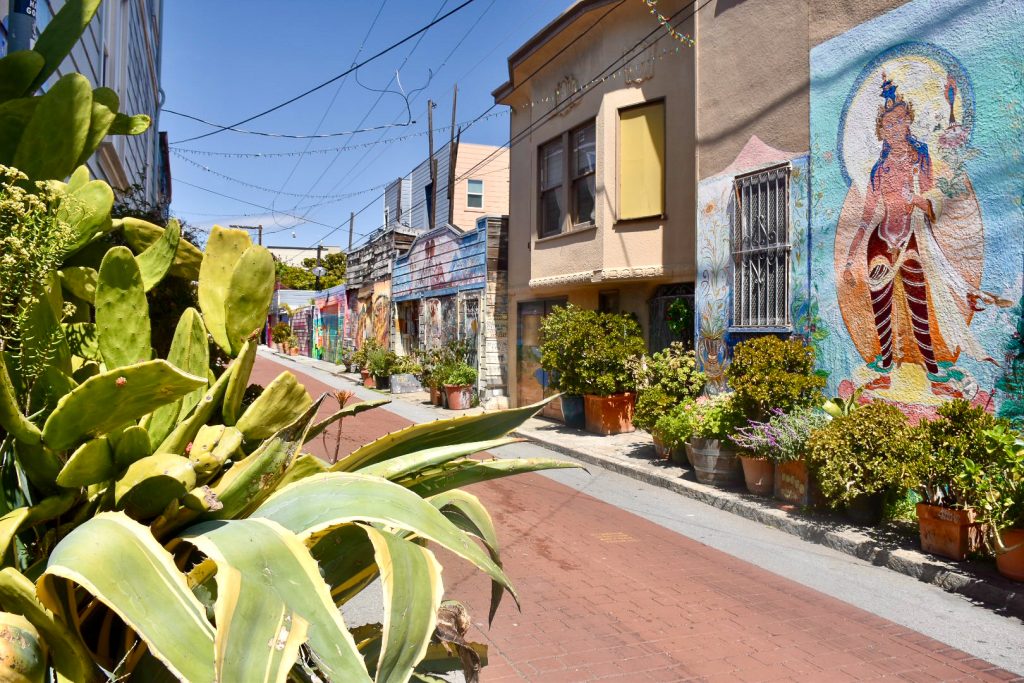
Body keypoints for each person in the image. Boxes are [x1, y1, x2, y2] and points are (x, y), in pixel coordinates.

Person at [843, 73, 1002, 398]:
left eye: (900, 121)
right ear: (881, 131)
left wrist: (923, 200)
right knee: (881, 307)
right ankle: (886, 362)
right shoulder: (878, 168)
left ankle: (929, 363)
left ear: (908, 123)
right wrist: (849, 259)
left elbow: (933, 195)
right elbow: (867, 215)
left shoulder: (921, 157)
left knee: (920, 303)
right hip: (880, 242)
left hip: (913, 238)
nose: (895, 128)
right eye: (888, 125)